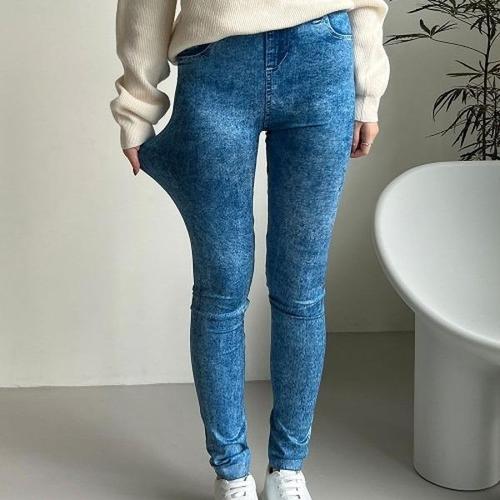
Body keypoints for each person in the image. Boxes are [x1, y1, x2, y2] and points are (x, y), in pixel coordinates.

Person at [110, 1, 390, 499]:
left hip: (322, 56)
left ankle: (288, 470)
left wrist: (366, 93)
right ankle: (232, 473)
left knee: (301, 288)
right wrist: (137, 102)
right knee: (221, 287)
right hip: (215, 63)